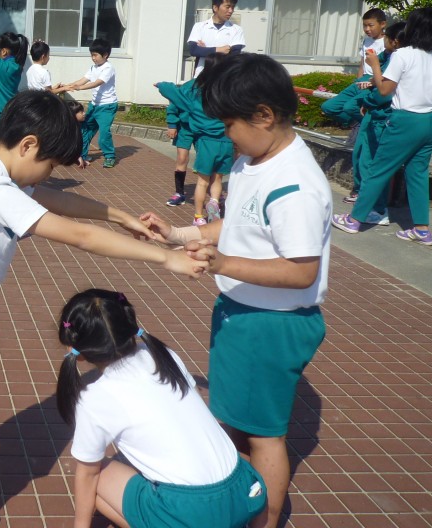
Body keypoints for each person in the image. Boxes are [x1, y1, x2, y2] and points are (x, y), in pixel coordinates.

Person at [0, 90, 205, 528]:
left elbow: (51, 198)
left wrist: (120, 216)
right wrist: (167, 258)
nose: (47, 175)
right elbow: (79, 236)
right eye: (48, 164)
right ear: (28, 144)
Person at [142, 53, 331, 528]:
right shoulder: (255, 160)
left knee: (263, 435)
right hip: (243, 312)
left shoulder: (294, 184)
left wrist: (224, 264)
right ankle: (233, 503)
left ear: (263, 115)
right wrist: (179, 235)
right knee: (237, 422)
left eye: (229, 124)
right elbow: (238, 224)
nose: (226, 135)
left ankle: (262, 519)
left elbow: (300, 271)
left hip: (270, 323)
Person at [56, 289, 267, 528]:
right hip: (245, 490)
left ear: (76, 351)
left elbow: (88, 474)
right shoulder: (162, 354)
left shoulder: (95, 398)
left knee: (95, 475)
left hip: (193, 511)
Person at [333, 7, 432, 246]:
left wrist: (375, 65)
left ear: (413, 28)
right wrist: (425, 90)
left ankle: (354, 220)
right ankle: (421, 230)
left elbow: (384, 90)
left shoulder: (403, 54)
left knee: (377, 170)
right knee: (418, 175)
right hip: (430, 121)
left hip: (405, 121)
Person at [155, 53, 233, 226]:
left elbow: (173, 93)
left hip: (205, 140)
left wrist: (160, 85)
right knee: (217, 178)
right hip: (226, 140)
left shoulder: (197, 93)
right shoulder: (229, 92)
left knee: (202, 182)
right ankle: (214, 201)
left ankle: (198, 216)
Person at [345, 19, 406, 225]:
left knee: (371, 163)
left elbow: (383, 92)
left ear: (395, 41)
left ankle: (377, 210)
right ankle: (372, 207)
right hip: (382, 116)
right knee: (365, 160)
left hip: (381, 116)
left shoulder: (398, 59)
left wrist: (368, 99)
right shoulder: (403, 57)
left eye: (387, 37)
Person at [320, 8, 388, 183]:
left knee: (350, 107)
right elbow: (362, 65)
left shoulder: (387, 44)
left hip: (373, 82)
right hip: (360, 81)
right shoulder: (366, 41)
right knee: (328, 107)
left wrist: (371, 82)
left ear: (382, 24)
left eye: (370, 25)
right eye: (364, 26)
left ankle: (362, 122)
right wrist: (358, 80)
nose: (367, 29)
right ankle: (357, 122)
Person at [60, 39, 119, 168]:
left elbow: (97, 82)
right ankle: (82, 155)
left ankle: (109, 156)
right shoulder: (93, 68)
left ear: (105, 55)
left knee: (104, 134)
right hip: (94, 105)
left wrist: (80, 88)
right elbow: (83, 80)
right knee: (85, 130)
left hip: (107, 106)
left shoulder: (108, 68)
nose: (93, 58)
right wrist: (68, 86)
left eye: (95, 55)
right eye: (91, 55)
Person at [186, 0, 244, 77]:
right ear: (215, 8)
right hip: (201, 75)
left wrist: (205, 50)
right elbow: (193, 50)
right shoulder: (199, 26)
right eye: (227, 7)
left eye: (233, 7)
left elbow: (234, 56)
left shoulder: (237, 30)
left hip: (223, 77)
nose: (231, 11)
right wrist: (219, 50)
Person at [0, 31, 28, 135]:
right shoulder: (15, 66)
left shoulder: (1, 67)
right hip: (10, 112)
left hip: (0, 116)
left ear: (4, 52)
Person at [164, 82, 193, 206]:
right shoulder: (187, 87)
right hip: (185, 128)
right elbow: (173, 106)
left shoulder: (215, 87)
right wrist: (172, 125)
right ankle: (179, 193)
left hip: (204, 129)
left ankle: (216, 197)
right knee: (181, 158)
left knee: (208, 161)